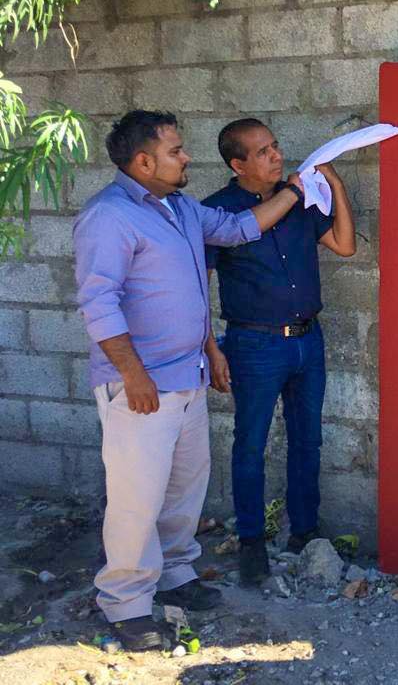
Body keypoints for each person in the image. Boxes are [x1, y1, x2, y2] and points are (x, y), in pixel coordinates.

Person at [73, 110, 305, 651]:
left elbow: (239, 228)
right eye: (176, 151)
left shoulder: (179, 208)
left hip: (187, 377)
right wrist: (132, 374)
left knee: (183, 490)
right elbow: (98, 301)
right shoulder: (109, 217)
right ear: (143, 161)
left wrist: (292, 193)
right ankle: (126, 602)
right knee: (136, 498)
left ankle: (177, 573)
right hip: (142, 386)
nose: (186, 159)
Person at [202, 119, 356, 587]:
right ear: (238, 164)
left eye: (276, 146)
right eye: (263, 151)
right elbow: (196, 286)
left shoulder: (301, 201)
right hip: (255, 344)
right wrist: (211, 349)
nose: (276, 155)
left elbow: (344, 246)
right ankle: (252, 542)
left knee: (308, 439)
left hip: (309, 339)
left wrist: (337, 187)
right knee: (250, 443)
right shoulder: (217, 213)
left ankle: (304, 531)